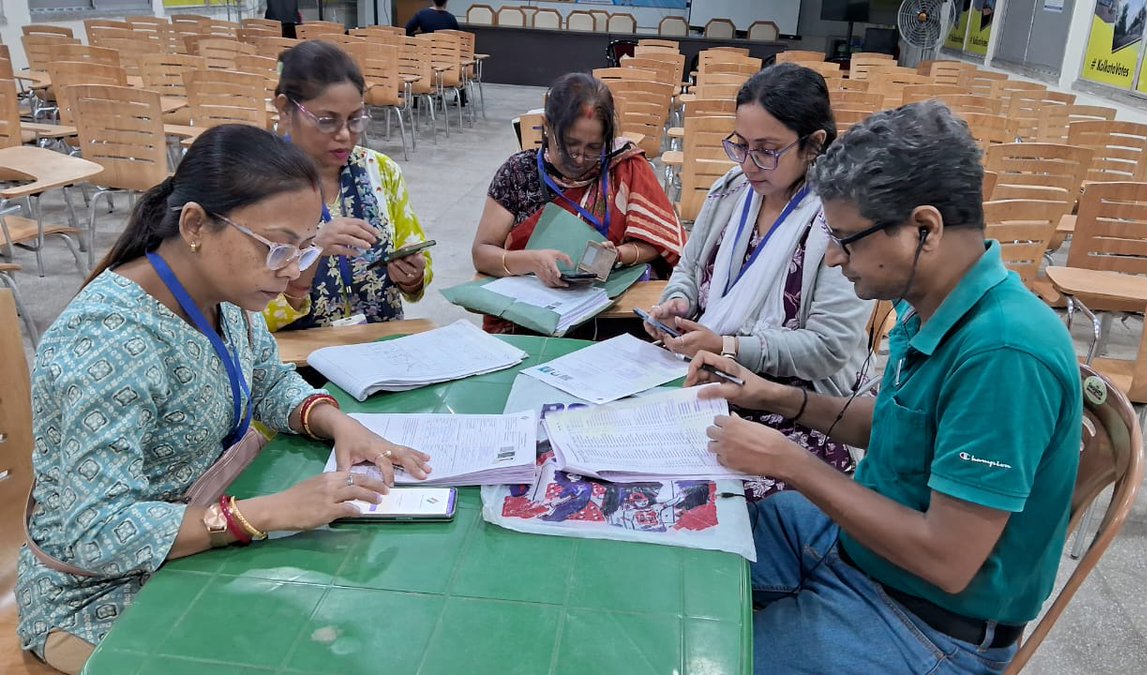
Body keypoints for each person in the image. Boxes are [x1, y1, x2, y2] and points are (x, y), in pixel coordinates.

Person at [15, 125, 435, 675]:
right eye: (278, 247)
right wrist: (266, 513)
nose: (293, 270)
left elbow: (267, 381)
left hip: (193, 537)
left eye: (305, 247)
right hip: (98, 595)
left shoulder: (224, 292)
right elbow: (97, 532)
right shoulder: (108, 341)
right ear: (195, 225)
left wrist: (337, 423)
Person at [688, 101, 1082, 673]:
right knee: (688, 546)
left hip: (925, 619)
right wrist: (775, 397)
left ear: (924, 229)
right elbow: (900, 425)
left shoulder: (1004, 354)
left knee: (705, 656)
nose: (832, 257)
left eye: (847, 239)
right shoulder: (933, 302)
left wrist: (791, 464)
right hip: (860, 552)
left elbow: (946, 560)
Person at [644, 63, 872, 499]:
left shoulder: (838, 219)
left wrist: (728, 346)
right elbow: (689, 269)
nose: (749, 164)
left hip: (798, 408)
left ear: (813, 144)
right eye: (741, 146)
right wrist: (677, 303)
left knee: (705, 498)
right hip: (711, 377)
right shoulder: (731, 191)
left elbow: (828, 349)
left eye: (767, 150)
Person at [472, 72, 685, 334]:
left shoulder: (624, 168)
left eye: (594, 147)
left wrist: (618, 255)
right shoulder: (518, 172)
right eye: (570, 144)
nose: (580, 158)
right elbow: (482, 253)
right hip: (534, 317)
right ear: (547, 126)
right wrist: (530, 261)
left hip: (612, 314)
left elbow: (660, 242)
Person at [264, 40, 432, 331]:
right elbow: (244, 314)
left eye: (355, 120)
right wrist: (312, 252)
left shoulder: (381, 171)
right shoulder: (257, 185)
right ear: (285, 110)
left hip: (379, 342)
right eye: (327, 121)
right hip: (300, 353)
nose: (344, 135)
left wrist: (412, 276)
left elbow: (418, 259)